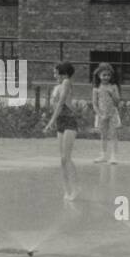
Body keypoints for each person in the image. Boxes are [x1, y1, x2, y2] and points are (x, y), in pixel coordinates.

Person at [43, 61, 80, 201]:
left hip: (69, 121)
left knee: (66, 157)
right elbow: (54, 104)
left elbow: (61, 103)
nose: (54, 75)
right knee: (63, 159)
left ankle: (75, 187)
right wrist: (53, 119)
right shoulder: (56, 86)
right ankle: (67, 189)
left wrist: (50, 122)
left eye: (55, 72)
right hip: (61, 122)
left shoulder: (66, 82)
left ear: (63, 73)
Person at [91, 63, 122, 164]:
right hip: (102, 115)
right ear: (99, 75)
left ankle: (114, 156)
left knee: (114, 135)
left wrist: (112, 93)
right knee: (103, 135)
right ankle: (103, 155)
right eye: (104, 75)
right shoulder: (96, 89)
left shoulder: (114, 87)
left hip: (112, 113)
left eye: (108, 75)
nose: (106, 77)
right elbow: (94, 104)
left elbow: (117, 102)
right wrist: (100, 115)